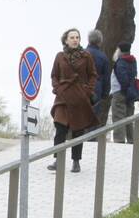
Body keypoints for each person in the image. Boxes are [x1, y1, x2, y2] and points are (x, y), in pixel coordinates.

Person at [47, 28, 98, 174]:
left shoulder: (86, 56)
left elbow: (93, 75)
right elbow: (54, 76)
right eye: (72, 37)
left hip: (79, 98)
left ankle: (76, 162)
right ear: (66, 40)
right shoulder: (60, 56)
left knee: (77, 130)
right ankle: (58, 160)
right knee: (60, 128)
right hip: (62, 97)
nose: (75, 40)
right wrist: (57, 89)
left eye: (77, 37)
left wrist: (87, 91)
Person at [111, 41, 139, 144]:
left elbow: (122, 78)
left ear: (119, 50)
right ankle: (131, 140)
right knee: (129, 117)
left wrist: (124, 89)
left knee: (118, 116)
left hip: (120, 92)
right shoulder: (133, 61)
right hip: (131, 93)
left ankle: (119, 140)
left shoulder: (120, 62)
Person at [85, 29, 110, 127]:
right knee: (93, 117)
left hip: (81, 88)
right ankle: (91, 141)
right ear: (100, 41)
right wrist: (105, 94)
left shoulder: (82, 53)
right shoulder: (103, 57)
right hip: (96, 89)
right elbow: (106, 78)